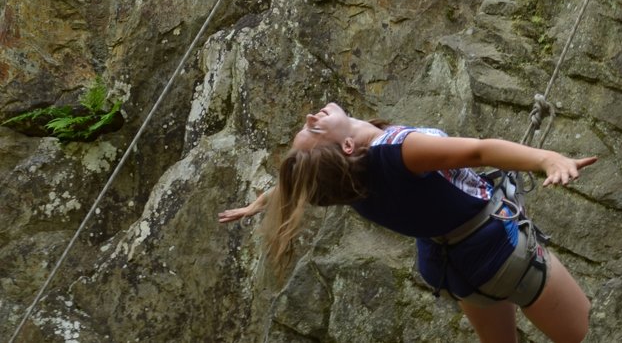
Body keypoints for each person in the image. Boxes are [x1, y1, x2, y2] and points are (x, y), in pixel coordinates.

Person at [219, 102, 597, 343]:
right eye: (315, 130)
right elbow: (480, 151)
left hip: (455, 270)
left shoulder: (347, 184)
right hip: (497, 252)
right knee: (585, 332)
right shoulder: (400, 151)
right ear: (346, 148)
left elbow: (304, 179)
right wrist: (548, 158)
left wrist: (264, 200)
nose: (310, 116)